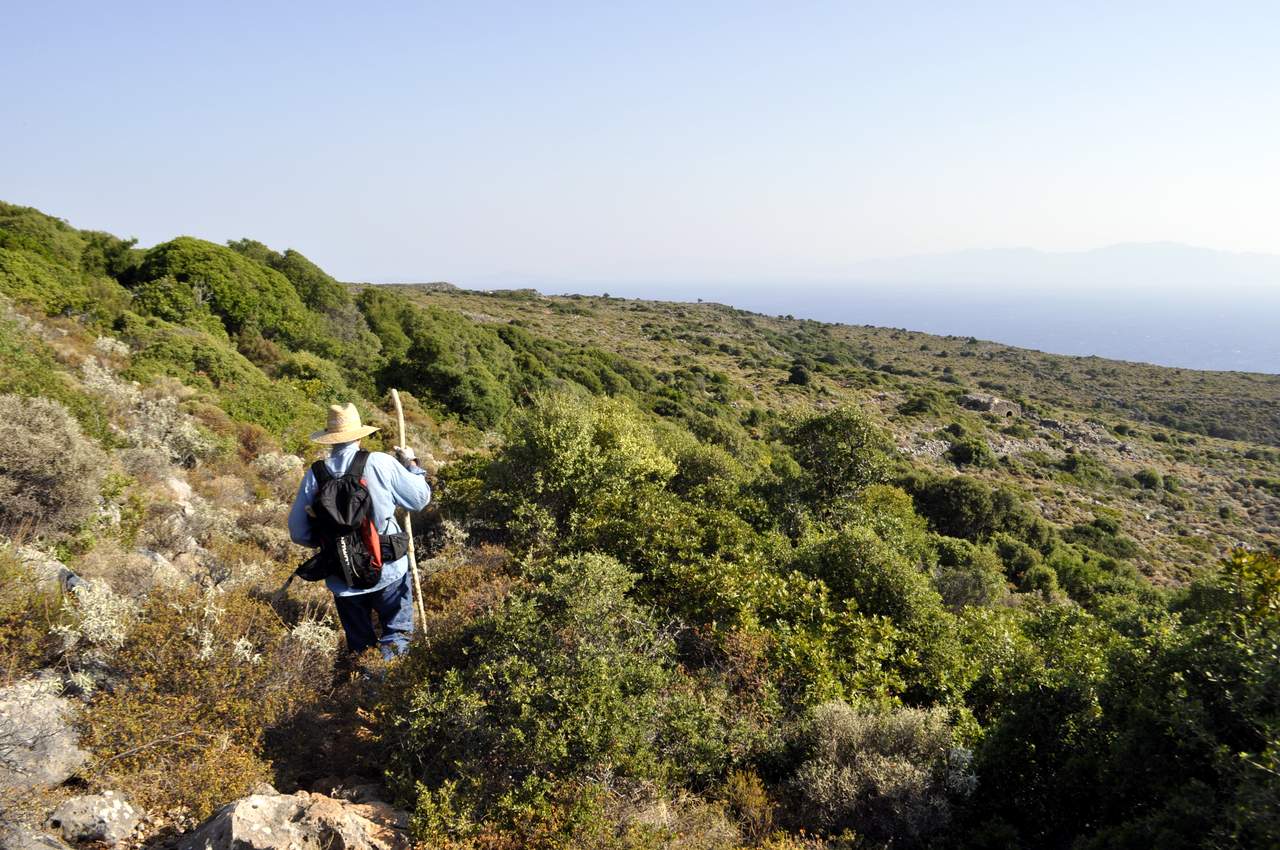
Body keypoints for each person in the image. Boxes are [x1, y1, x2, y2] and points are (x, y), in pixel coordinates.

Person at [288, 402, 429, 658]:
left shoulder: (315, 474)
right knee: (397, 636)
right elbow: (419, 499)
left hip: (343, 578)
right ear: (359, 435)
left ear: (330, 438)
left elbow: (298, 533)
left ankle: (366, 690)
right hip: (389, 569)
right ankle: (392, 689)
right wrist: (412, 464)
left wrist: (330, 543)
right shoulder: (379, 463)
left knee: (362, 648)